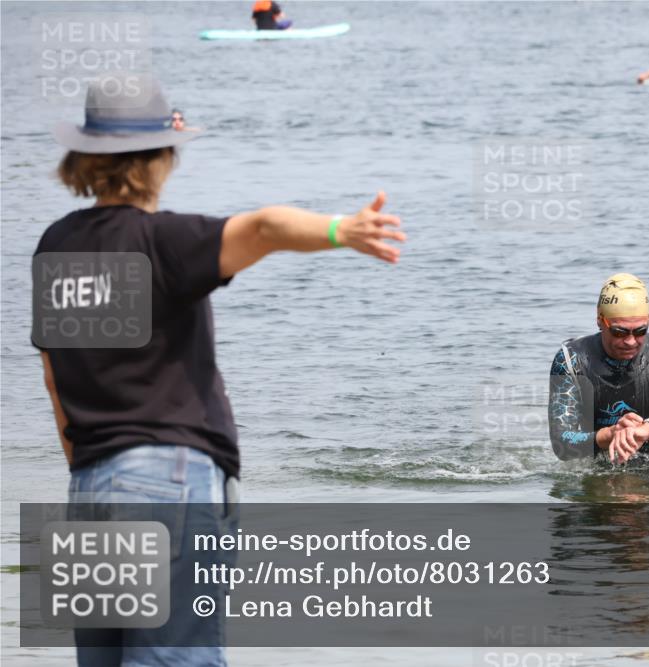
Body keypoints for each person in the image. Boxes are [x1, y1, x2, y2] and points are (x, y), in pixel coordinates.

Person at [36, 74, 404, 666]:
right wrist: (343, 230)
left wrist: (88, 470)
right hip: (166, 482)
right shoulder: (164, 240)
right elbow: (261, 229)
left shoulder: (56, 246)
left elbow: (54, 375)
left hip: (90, 487)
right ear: (159, 159)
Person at [548, 274, 649, 464]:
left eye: (640, 331)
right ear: (600, 320)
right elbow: (560, 442)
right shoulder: (571, 359)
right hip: (598, 469)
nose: (630, 341)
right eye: (619, 332)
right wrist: (610, 434)